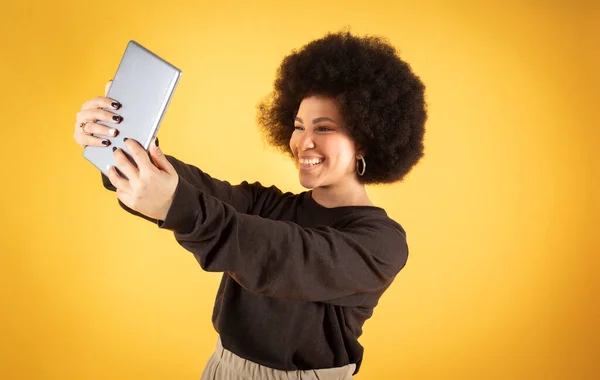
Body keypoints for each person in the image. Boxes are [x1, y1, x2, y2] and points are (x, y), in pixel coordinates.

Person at [73, 30, 427, 380]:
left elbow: (280, 257)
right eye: (298, 126)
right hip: (223, 369)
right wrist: (122, 145)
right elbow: (199, 192)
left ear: (365, 141)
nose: (303, 142)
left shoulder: (381, 244)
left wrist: (173, 204)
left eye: (323, 129)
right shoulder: (267, 204)